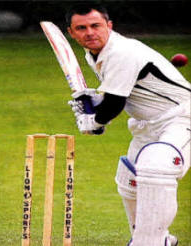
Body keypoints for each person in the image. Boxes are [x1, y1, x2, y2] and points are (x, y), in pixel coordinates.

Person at [66, 4, 190, 246]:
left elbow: (115, 103)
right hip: (148, 123)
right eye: (81, 28)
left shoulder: (121, 51)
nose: (89, 33)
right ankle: (161, 240)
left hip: (181, 117)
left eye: (95, 26)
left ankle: (148, 242)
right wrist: (98, 101)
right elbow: (124, 92)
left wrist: (94, 120)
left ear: (109, 26)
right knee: (129, 177)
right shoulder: (95, 53)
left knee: (157, 165)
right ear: (71, 32)